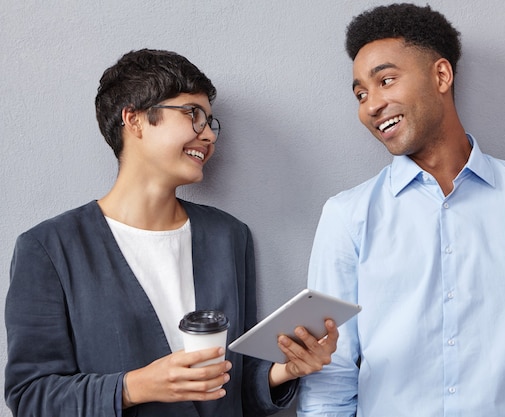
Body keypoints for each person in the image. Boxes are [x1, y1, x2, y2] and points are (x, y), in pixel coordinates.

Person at [297, 4, 505, 416]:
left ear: (441, 75)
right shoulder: (346, 216)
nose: (371, 105)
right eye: (360, 94)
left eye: (386, 80)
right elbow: (331, 375)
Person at [5, 49, 337, 417]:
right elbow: (30, 396)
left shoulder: (229, 236)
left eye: (211, 122)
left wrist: (283, 370)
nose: (209, 135)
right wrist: (135, 386)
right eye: (193, 115)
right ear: (134, 120)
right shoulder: (50, 248)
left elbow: (233, 384)